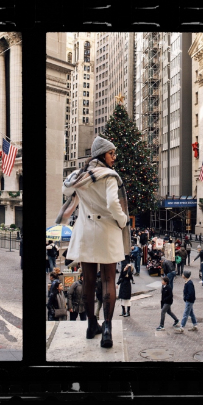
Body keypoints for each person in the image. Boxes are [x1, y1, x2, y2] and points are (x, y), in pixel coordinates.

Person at [57, 135, 129, 348]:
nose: (114, 158)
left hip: (86, 232)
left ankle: (91, 325)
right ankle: (107, 329)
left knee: (88, 281)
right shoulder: (109, 176)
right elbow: (113, 203)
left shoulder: (79, 176)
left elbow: (66, 189)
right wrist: (122, 219)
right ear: (102, 154)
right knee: (108, 279)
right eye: (111, 153)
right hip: (106, 231)